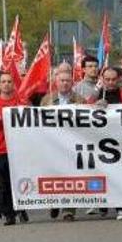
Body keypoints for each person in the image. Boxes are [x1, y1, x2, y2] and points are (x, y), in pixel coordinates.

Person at [0, 72, 30, 226]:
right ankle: (9, 213)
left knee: (21, 180)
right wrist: (1, 119)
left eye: (9, 81)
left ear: (13, 83)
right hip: (0, 148)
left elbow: (32, 120)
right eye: (3, 81)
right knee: (3, 183)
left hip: (20, 148)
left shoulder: (22, 102)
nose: (7, 84)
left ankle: (22, 209)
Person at [41, 69, 86, 221]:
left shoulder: (80, 100)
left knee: (70, 175)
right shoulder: (47, 100)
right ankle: (55, 202)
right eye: (62, 80)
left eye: (67, 80)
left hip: (72, 144)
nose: (65, 83)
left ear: (72, 83)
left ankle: (69, 210)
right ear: (56, 82)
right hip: (52, 143)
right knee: (54, 174)